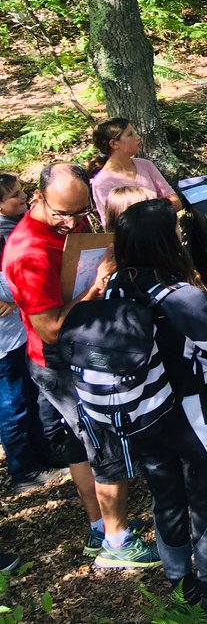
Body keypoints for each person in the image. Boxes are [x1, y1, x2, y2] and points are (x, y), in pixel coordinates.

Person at [0, 164, 156, 567]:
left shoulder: (70, 221)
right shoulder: (29, 252)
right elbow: (50, 329)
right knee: (103, 441)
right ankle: (118, 544)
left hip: (77, 347)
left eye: (80, 212)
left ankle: (99, 527)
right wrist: (96, 286)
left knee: (78, 441)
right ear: (38, 198)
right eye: (62, 214)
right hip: (58, 361)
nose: (72, 223)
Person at [106, 198, 207, 615]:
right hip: (193, 411)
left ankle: (180, 584)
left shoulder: (115, 286)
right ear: (165, 242)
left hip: (141, 412)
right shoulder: (181, 296)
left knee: (165, 496)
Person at [0, 174, 61, 493]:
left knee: (29, 396)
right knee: (13, 404)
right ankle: (23, 470)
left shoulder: (18, 226)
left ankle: (44, 454)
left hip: (20, 332)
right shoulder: (4, 234)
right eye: (14, 196)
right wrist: (17, 293)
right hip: (5, 341)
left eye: (22, 191)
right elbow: (11, 283)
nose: (22, 198)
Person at [88, 119, 182, 227]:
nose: (138, 137)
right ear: (114, 144)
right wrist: (159, 206)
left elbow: (176, 202)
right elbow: (114, 226)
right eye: (130, 134)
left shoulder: (145, 165)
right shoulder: (102, 183)